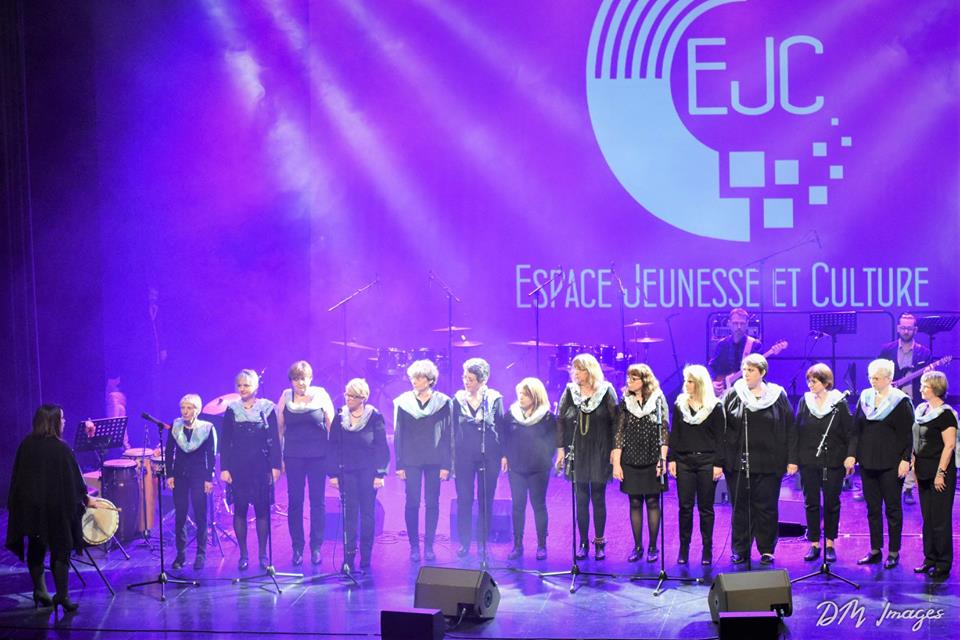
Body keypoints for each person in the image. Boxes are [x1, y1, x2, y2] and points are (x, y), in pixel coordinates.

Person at [6, 404, 99, 613]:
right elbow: (74, 481)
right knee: (61, 549)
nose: (64, 422)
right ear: (54, 422)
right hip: (57, 509)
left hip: (32, 509)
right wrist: (86, 499)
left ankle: (40, 590)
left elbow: (17, 479)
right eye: (62, 419)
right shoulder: (61, 448)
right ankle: (62, 595)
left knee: (36, 548)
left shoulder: (26, 445)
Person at [722, 353, 796, 566]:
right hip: (739, 463)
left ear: (762, 372)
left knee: (767, 507)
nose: (745, 374)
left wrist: (792, 459)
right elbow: (721, 427)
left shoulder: (777, 396)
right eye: (744, 370)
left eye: (751, 370)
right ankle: (740, 549)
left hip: (770, 462)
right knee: (740, 508)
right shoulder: (734, 394)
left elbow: (790, 428)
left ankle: (767, 550)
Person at [558, 353, 619, 560]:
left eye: (580, 369)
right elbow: (560, 420)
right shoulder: (570, 391)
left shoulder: (605, 390)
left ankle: (600, 542)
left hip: (600, 450)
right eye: (574, 369)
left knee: (598, 497)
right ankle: (583, 542)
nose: (575, 373)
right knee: (581, 498)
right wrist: (560, 449)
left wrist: (615, 450)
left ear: (590, 371)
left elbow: (616, 422)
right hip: (578, 450)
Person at [793, 364, 856, 563]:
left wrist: (850, 456)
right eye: (809, 381)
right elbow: (796, 431)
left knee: (831, 503)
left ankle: (830, 543)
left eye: (814, 381)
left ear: (825, 382)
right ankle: (814, 543)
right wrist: (793, 459)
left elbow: (850, 432)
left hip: (833, 461)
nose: (810, 385)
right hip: (809, 460)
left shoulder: (839, 402)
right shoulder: (805, 401)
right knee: (811, 502)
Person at [854, 358, 914, 569]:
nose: (873, 381)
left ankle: (894, 551)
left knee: (892, 509)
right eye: (871, 377)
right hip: (868, 462)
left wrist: (906, 459)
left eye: (877, 378)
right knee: (872, 509)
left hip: (891, 463)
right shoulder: (865, 398)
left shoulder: (900, 401)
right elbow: (856, 429)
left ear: (889, 378)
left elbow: (908, 433)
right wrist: (852, 455)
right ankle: (875, 550)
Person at [220, 369, 282, 570]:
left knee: (262, 511)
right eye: (239, 385)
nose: (242, 389)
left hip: (261, 467)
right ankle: (243, 555)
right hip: (238, 468)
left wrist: (275, 465)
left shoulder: (267, 408)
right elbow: (225, 441)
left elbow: (275, 440)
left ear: (255, 386)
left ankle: (263, 554)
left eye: (246, 385)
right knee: (240, 510)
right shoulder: (232, 409)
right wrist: (225, 468)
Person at [394, 359, 452, 562]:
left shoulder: (442, 402)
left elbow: (447, 434)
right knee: (412, 502)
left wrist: (446, 465)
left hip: (435, 460)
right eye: (413, 377)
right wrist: (399, 464)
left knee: (432, 503)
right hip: (411, 459)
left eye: (419, 378)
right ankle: (414, 547)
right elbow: (399, 433)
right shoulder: (404, 402)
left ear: (429, 380)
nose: (414, 381)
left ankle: (429, 546)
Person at [329, 378, 390, 573]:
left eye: (353, 396)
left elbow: (381, 447)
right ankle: (348, 558)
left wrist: (380, 474)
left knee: (367, 515)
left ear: (363, 398)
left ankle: (365, 557)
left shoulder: (374, 417)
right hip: (347, 472)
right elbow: (333, 446)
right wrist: (333, 474)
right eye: (347, 394)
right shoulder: (340, 417)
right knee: (349, 515)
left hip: (368, 473)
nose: (348, 399)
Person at [277, 361, 334, 566]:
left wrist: (333, 458)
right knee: (295, 502)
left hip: (318, 456)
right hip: (293, 456)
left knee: (317, 501)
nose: (300, 383)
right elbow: (279, 430)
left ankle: (316, 547)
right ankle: (297, 547)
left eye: (303, 378)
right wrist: (279, 458)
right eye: (296, 379)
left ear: (310, 378)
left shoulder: (321, 395)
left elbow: (332, 427)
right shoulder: (286, 397)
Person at [668, 364, 724, 566]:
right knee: (685, 507)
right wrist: (672, 459)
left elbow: (720, 438)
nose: (686, 384)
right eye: (686, 381)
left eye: (690, 381)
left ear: (700, 383)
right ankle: (684, 548)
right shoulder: (680, 405)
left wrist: (718, 463)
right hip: (684, 461)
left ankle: (707, 549)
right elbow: (675, 433)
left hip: (707, 461)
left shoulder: (714, 407)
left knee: (705, 508)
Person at [499, 377, 561, 560]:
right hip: (516, 467)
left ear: (535, 396)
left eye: (525, 394)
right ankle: (517, 545)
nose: (521, 397)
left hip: (538, 467)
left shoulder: (547, 417)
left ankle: (542, 545)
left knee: (538, 505)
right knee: (518, 506)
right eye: (520, 393)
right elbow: (503, 438)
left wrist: (547, 456)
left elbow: (554, 441)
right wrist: (504, 456)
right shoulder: (511, 415)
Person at [612, 364, 669, 563]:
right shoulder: (625, 401)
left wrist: (662, 459)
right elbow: (619, 432)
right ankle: (638, 547)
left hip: (652, 459)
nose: (629, 381)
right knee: (635, 502)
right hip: (630, 459)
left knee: (652, 502)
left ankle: (653, 547)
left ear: (644, 380)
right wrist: (617, 463)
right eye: (628, 378)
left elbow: (664, 431)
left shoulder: (658, 399)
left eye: (633, 378)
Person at [453, 358, 504, 558]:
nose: (466, 382)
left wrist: (504, 455)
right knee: (464, 500)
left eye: (471, 379)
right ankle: (464, 543)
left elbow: (501, 428)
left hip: (488, 456)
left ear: (482, 381)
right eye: (465, 377)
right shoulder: (457, 400)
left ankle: (483, 543)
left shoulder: (494, 399)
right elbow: (451, 430)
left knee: (485, 500)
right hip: (464, 457)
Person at [878, 312, 932, 505]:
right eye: (903, 327)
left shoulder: (924, 353)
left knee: (911, 443)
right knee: (887, 440)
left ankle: (908, 487)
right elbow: (877, 372)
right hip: (889, 402)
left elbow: (929, 382)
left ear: (915, 330)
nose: (906, 331)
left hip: (913, 403)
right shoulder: (887, 350)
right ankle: (883, 483)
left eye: (910, 328)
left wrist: (929, 374)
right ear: (898, 328)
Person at [911, 371, 957, 578]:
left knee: (940, 519)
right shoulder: (921, 410)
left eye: (925, 386)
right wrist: (914, 464)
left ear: (936, 389)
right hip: (923, 471)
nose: (921, 388)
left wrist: (940, 473)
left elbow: (949, 446)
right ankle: (929, 558)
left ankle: (943, 562)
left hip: (940, 473)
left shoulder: (946, 414)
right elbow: (916, 440)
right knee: (928, 519)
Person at [164, 394, 216, 571]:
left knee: (200, 514)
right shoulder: (176, 426)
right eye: (183, 408)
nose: (185, 411)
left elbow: (211, 455)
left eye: (189, 408)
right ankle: (181, 554)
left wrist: (208, 479)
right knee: (180, 514)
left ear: (197, 410)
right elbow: (169, 452)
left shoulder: (206, 428)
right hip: (180, 475)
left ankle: (201, 554)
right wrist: (169, 475)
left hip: (199, 476)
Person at [708, 308, 763, 394]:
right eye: (735, 323)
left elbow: (761, 372)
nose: (739, 327)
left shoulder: (754, 345)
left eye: (742, 323)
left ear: (747, 324)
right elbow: (711, 367)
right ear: (729, 324)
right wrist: (712, 383)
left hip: (746, 392)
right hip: (725, 392)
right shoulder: (722, 344)